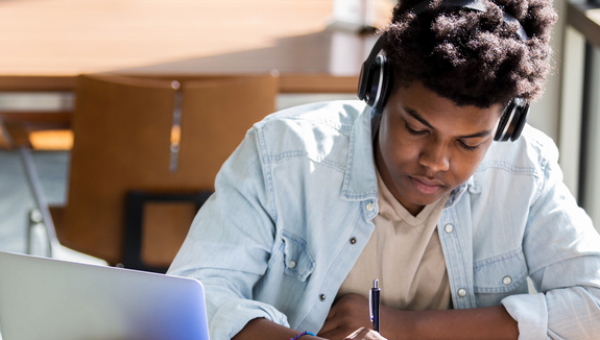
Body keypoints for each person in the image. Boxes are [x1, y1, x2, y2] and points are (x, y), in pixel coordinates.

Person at [168, 0, 600, 339]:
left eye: (470, 143)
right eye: (415, 128)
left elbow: (593, 305)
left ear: (506, 125)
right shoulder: (283, 153)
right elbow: (195, 296)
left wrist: (402, 328)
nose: (435, 162)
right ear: (377, 89)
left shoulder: (526, 169)